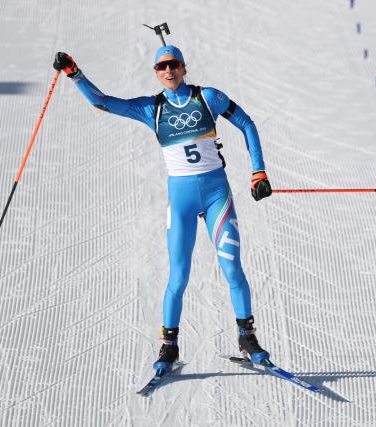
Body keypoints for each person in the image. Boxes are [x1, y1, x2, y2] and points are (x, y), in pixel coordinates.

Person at [53, 45, 273, 371]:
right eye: (161, 67)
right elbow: (102, 101)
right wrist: (75, 74)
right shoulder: (151, 108)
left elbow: (247, 124)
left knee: (232, 270)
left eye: (173, 65)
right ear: (156, 73)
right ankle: (168, 347)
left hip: (216, 197)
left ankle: (247, 337)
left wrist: (258, 171)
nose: (168, 71)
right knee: (179, 276)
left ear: (183, 68)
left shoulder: (207, 97)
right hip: (182, 202)